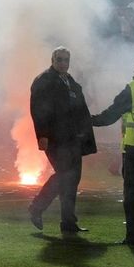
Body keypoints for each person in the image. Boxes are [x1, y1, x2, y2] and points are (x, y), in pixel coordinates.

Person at [28, 47, 96, 234]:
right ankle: (37, 207)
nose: (63, 63)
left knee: (72, 179)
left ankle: (68, 222)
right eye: (59, 59)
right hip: (56, 139)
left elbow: (79, 108)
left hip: (72, 138)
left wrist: (85, 131)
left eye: (66, 60)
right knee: (66, 175)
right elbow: (37, 110)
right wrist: (42, 135)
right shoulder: (44, 80)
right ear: (52, 59)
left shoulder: (69, 81)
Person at [92, 58, 134, 245]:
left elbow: (110, 115)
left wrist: (88, 120)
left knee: (133, 194)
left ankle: (133, 237)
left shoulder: (133, 88)